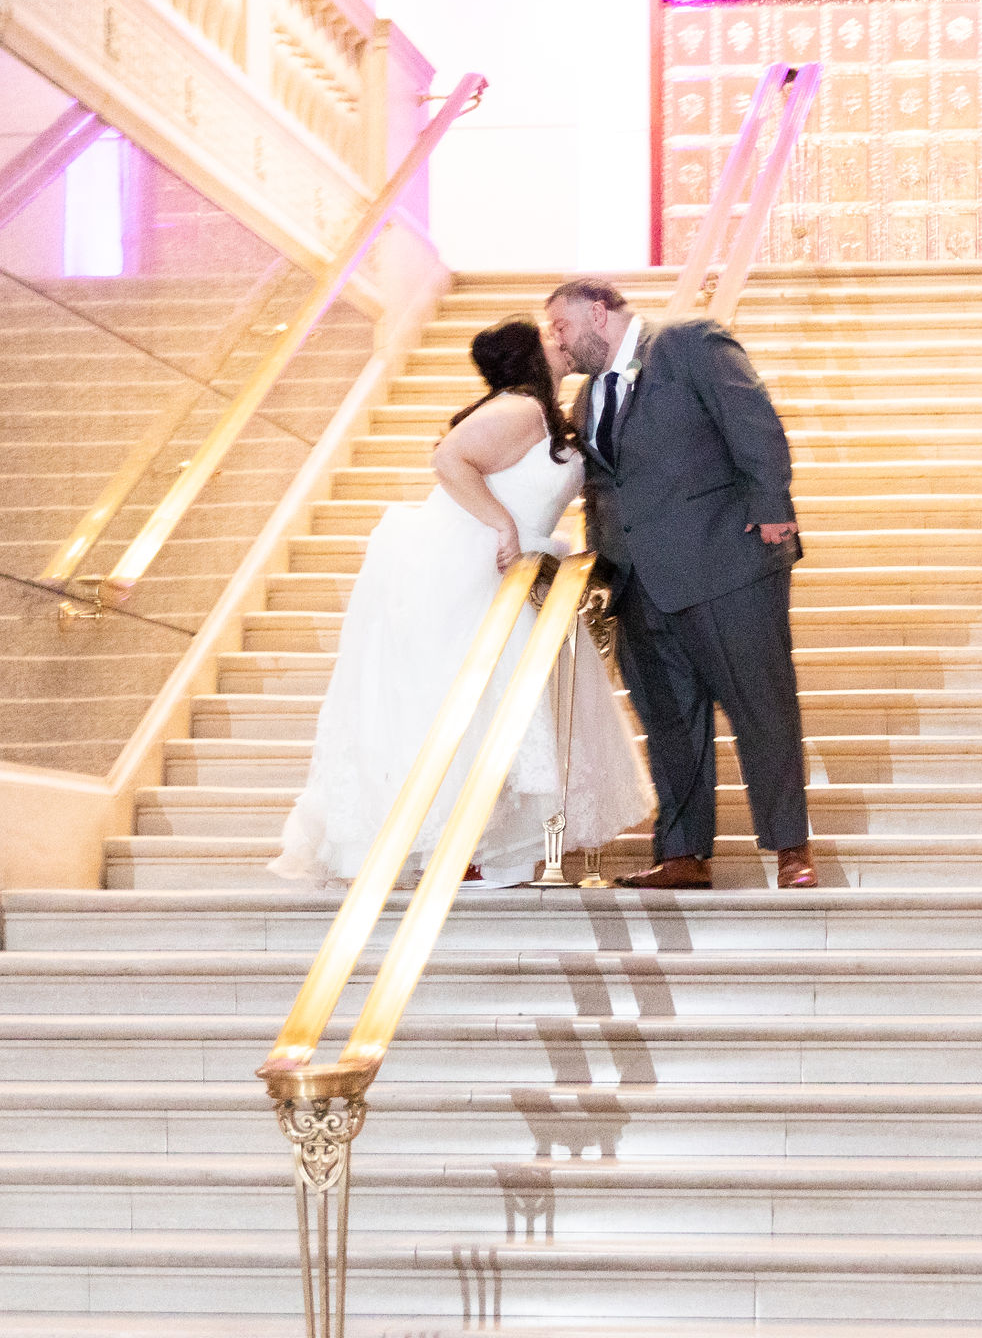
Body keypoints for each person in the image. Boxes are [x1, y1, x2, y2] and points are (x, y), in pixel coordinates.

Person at [269, 316, 652, 890]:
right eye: (549, 336)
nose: (560, 340)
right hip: (481, 564)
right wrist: (502, 526)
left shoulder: (539, 412)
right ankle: (462, 842)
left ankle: (482, 844)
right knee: (477, 701)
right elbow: (450, 459)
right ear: (530, 355)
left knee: (499, 704)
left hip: (519, 565)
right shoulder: (521, 408)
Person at [545, 278, 817, 891]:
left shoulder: (687, 344)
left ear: (597, 312)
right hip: (639, 584)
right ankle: (683, 853)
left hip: (728, 565)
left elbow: (754, 422)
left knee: (761, 707)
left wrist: (773, 508)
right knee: (668, 720)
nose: (556, 342)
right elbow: (605, 489)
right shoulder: (590, 396)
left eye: (560, 327)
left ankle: (790, 848)